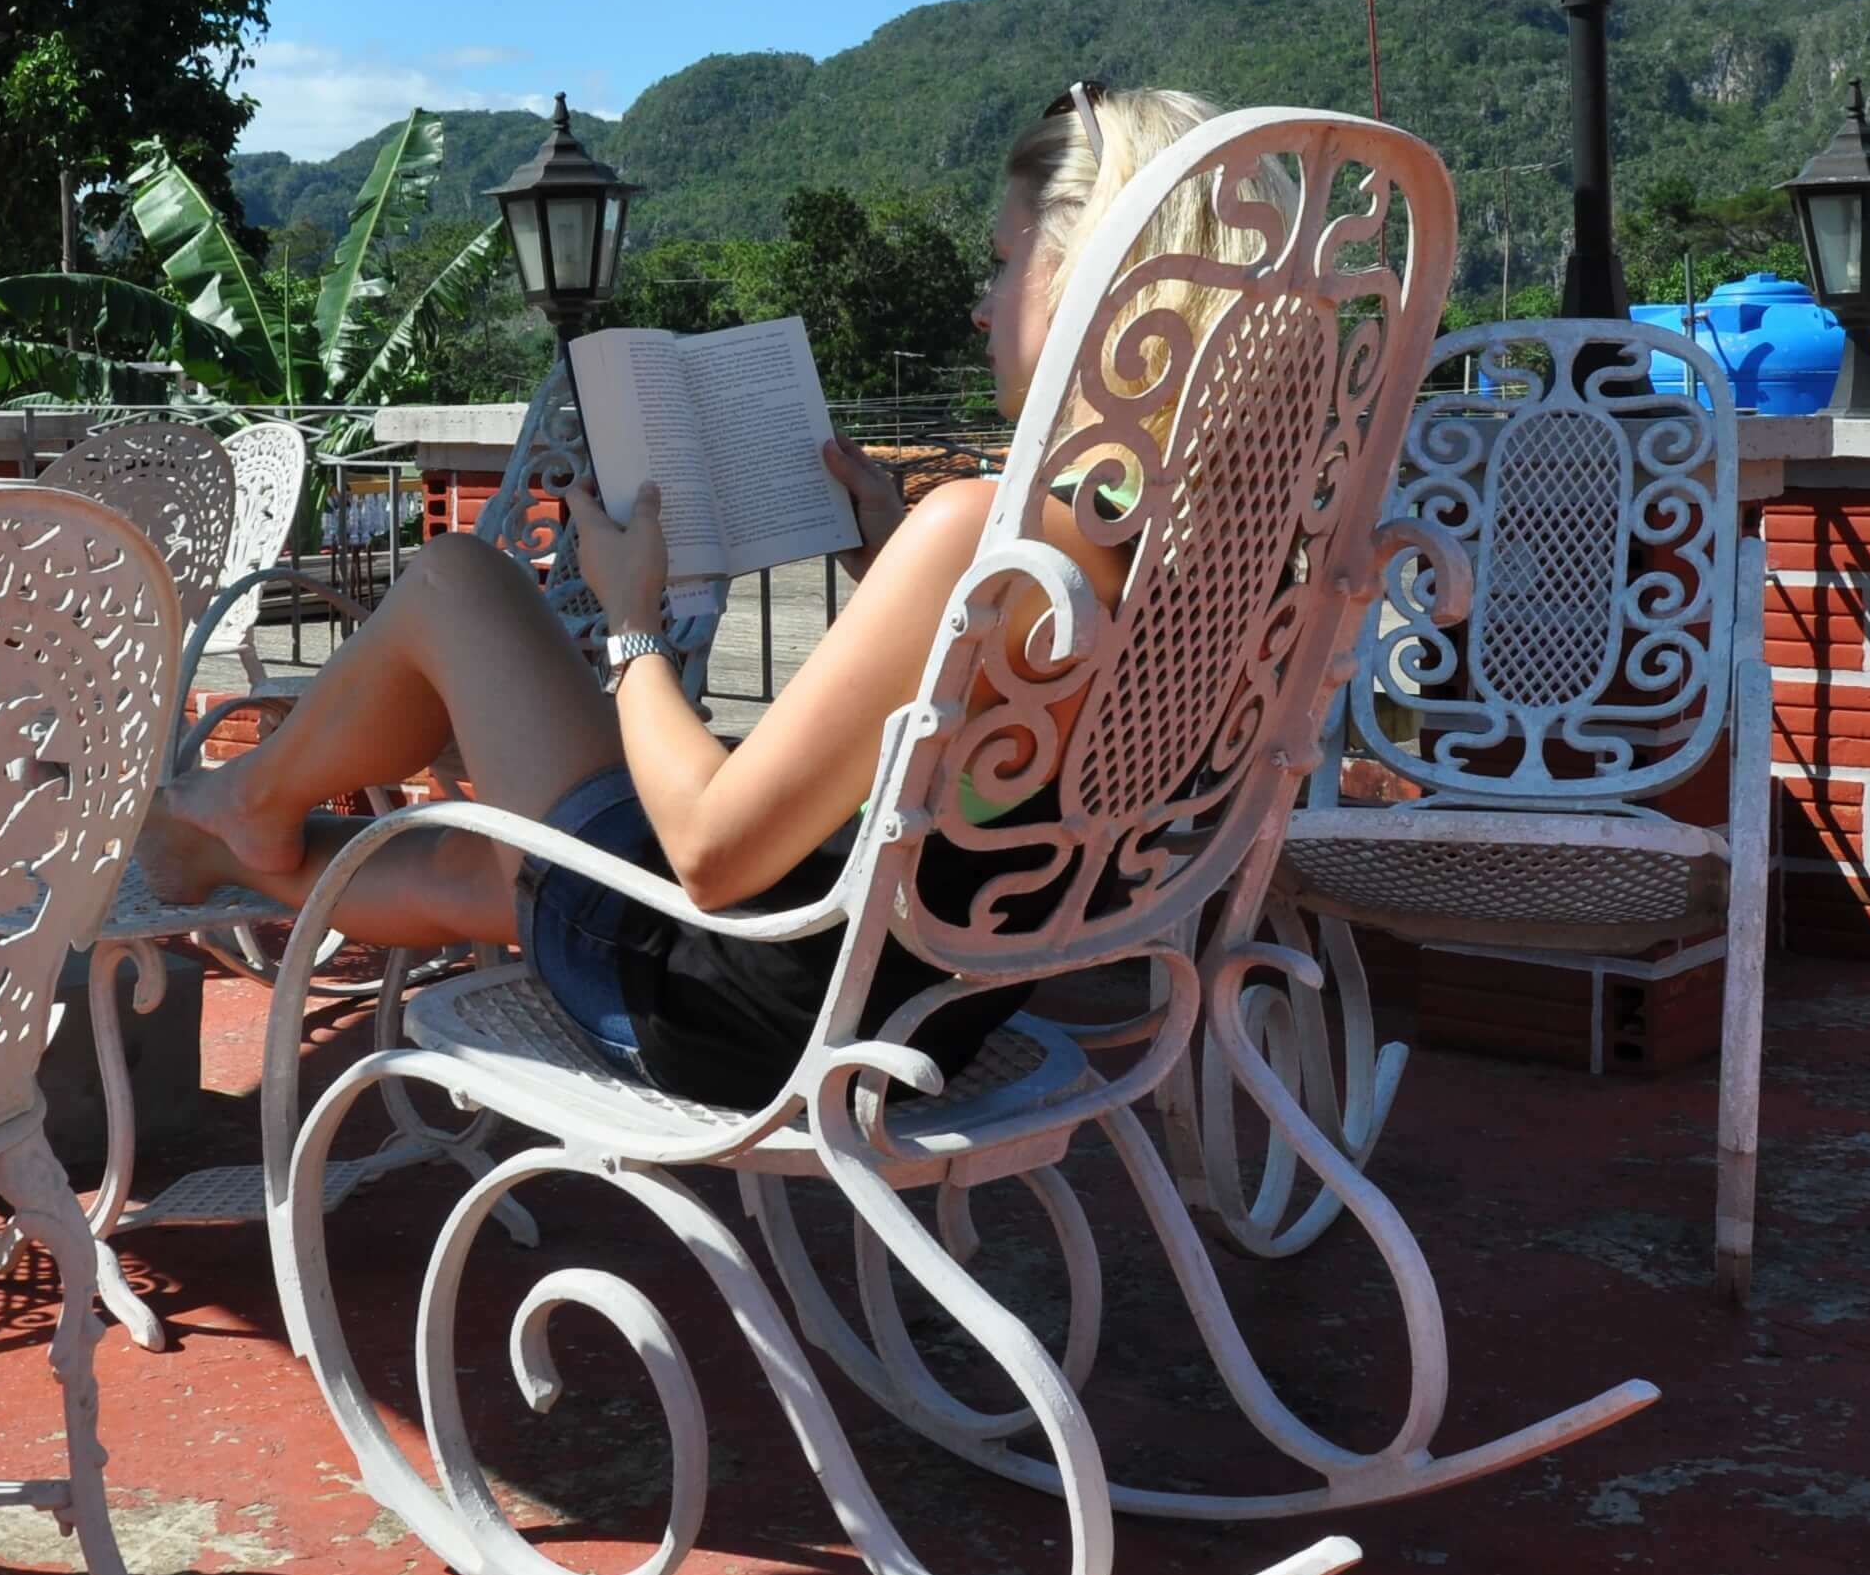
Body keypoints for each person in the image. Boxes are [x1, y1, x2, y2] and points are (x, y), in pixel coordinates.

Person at [137, 81, 1244, 1108]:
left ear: (1092, 276)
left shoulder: (979, 531)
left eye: (1004, 264)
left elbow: (711, 854)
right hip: (923, 1008)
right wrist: (888, 557)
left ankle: (242, 804)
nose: (980, 306)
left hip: (733, 1001)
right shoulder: (1206, 558)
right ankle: (208, 841)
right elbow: (1020, 724)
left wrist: (634, 620)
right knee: (494, 866)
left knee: (452, 578)